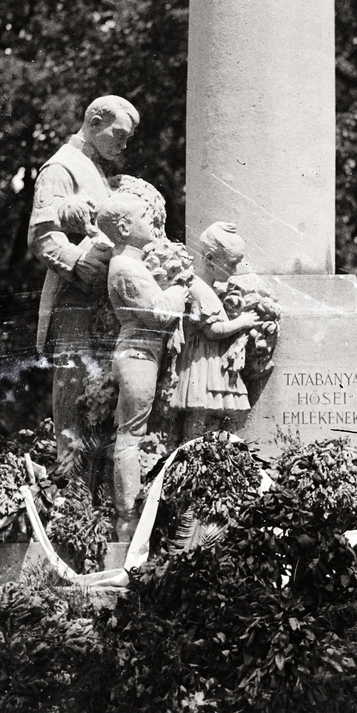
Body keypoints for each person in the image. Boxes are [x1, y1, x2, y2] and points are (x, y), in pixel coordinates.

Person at [28, 95, 149, 464]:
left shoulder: (93, 167)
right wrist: (79, 262)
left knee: (100, 397)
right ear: (95, 121)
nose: (124, 144)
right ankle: (69, 493)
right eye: (119, 133)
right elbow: (42, 234)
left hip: (102, 302)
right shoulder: (61, 167)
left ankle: (91, 490)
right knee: (74, 391)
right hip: (73, 301)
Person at [95, 190, 189, 541]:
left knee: (133, 433)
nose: (153, 223)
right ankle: (128, 522)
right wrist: (183, 287)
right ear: (123, 227)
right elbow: (161, 311)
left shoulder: (133, 263)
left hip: (146, 353)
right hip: (138, 355)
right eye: (144, 218)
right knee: (130, 436)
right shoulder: (126, 268)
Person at [172, 222, 264, 441]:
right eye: (231, 264)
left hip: (212, 360)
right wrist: (242, 321)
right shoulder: (198, 288)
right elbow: (213, 330)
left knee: (210, 412)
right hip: (201, 361)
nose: (234, 271)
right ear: (210, 259)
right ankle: (192, 452)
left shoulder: (208, 288)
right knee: (200, 409)